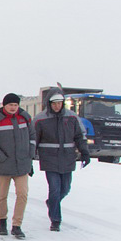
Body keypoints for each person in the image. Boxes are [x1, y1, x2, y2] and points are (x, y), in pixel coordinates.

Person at [33, 89, 90, 231]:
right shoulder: (40, 119)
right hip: (49, 159)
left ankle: (52, 203)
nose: (57, 106)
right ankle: (55, 220)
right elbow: (33, 140)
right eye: (54, 103)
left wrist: (85, 152)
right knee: (54, 189)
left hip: (67, 158)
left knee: (65, 189)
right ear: (49, 103)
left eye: (59, 103)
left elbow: (79, 136)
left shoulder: (72, 117)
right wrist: (29, 159)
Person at [0, 93, 36, 239]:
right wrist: (1, 158)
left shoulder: (25, 118)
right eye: (10, 105)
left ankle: (17, 226)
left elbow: (32, 138)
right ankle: (2, 222)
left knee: (23, 194)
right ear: (4, 105)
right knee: (1, 196)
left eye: (15, 105)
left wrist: (29, 157)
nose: (13, 108)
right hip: (3, 166)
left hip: (22, 165)